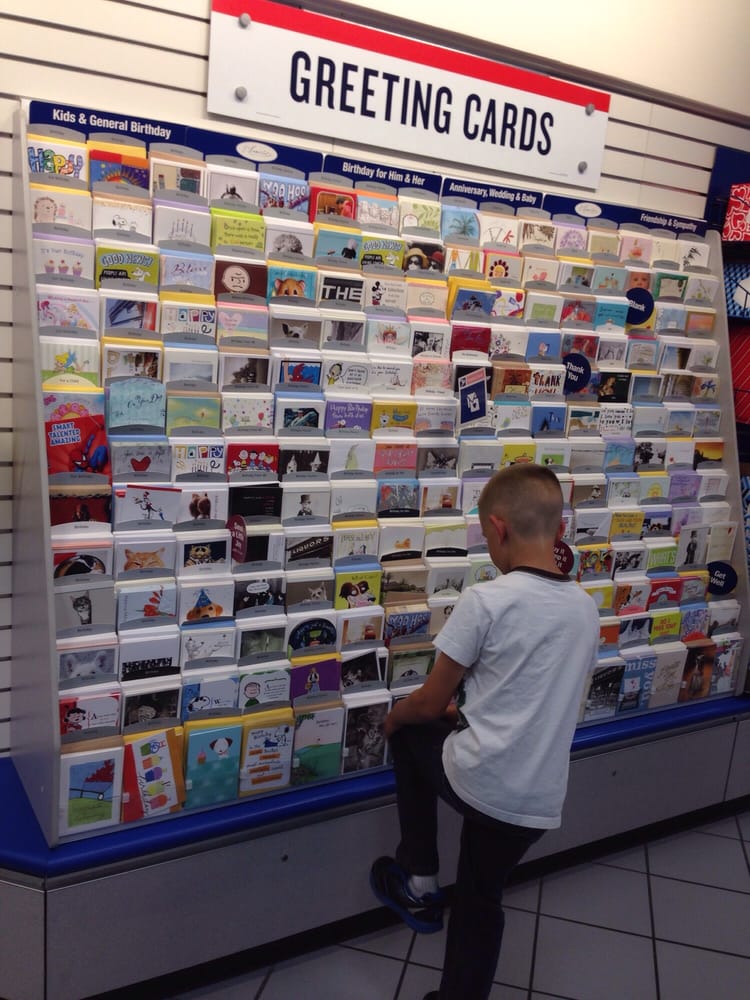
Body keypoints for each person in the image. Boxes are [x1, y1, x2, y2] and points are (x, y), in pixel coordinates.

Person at [369, 463, 600, 1000]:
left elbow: (430, 703)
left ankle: (419, 879)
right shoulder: (585, 609)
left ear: (498, 528)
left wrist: (395, 718)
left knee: (410, 734)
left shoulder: (487, 600)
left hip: (484, 779)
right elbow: (534, 697)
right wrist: (466, 715)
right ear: (560, 528)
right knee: (481, 897)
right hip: (537, 799)